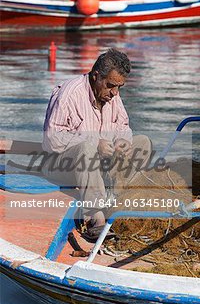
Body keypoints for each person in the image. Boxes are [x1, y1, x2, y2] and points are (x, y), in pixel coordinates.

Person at [42, 48, 151, 241]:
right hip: (61, 166)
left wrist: (122, 142)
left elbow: (123, 125)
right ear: (96, 76)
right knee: (87, 148)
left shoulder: (113, 96)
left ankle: (118, 201)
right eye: (110, 86)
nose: (115, 93)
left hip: (98, 166)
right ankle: (96, 219)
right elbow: (52, 139)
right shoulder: (69, 94)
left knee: (142, 143)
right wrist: (95, 143)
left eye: (119, 87)